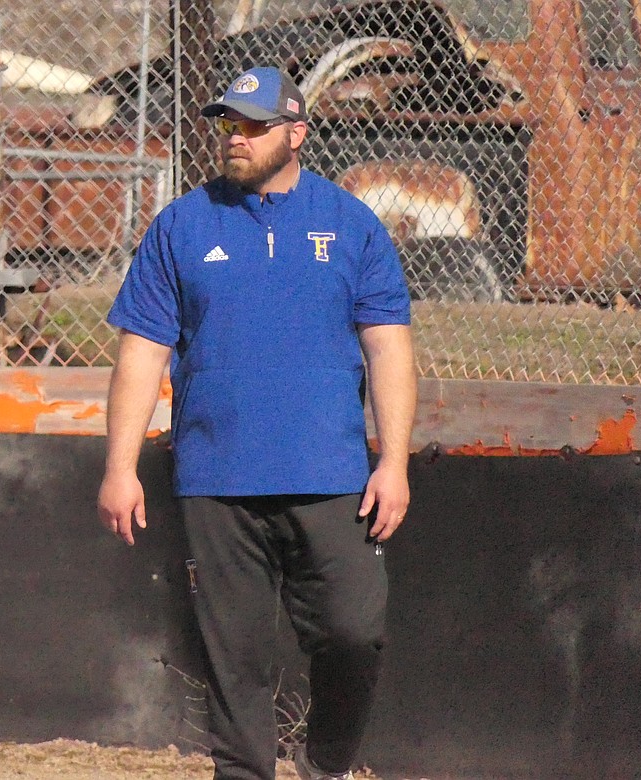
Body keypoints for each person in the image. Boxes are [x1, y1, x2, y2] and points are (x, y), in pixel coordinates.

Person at [96, 66, 417, 780]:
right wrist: (120, 467)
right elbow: (142, 352)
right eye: (228, 125)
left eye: (253, 125)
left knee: (353, 634)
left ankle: (326, 764)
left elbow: (389, 348)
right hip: (218, 478)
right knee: (236, 660)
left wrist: (392, 461)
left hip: (332, 478)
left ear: (297, 133)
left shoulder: (351, 224)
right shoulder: (182, 224)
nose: (235, 139)